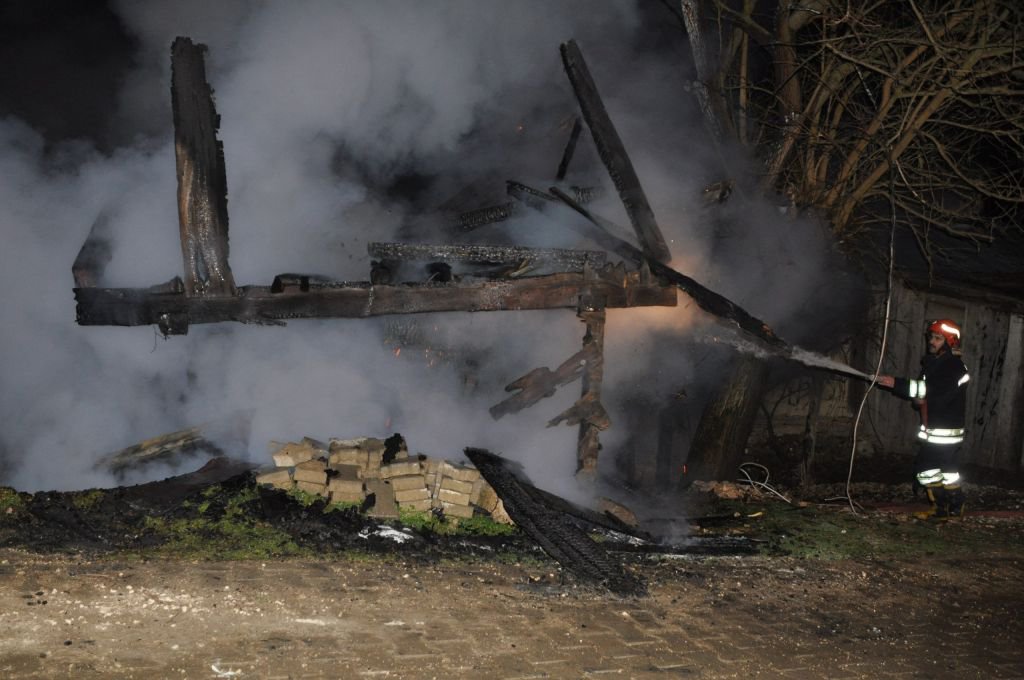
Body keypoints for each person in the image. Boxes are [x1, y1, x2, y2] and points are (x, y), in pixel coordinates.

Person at [876, 319, 970, 519]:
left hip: (943, 431)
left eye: (937, 338)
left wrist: (895, 383)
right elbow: (926, 394)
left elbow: (931, 391)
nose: (931, 342)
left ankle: (943, 508)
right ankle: (952, 507)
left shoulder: (952, 366)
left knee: (926, 469)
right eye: (931, 337)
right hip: (940, 428)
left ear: (949, 342)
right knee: (946, 470)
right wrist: (919, 400)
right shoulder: (936, 363)